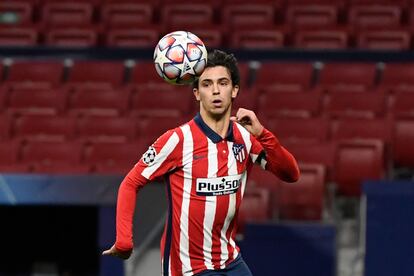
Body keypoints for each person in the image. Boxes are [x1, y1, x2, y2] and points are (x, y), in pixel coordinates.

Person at [102, 49, 300, 276]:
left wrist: (262, 133)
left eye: (223, 83)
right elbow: (130, 183)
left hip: (230, 260)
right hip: (188, 268)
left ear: (234, 90)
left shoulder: (245, 137)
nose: (215, 90)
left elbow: (291, 174)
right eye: (207, 84)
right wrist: (124, 240)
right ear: (196, 93)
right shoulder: (177, 140)